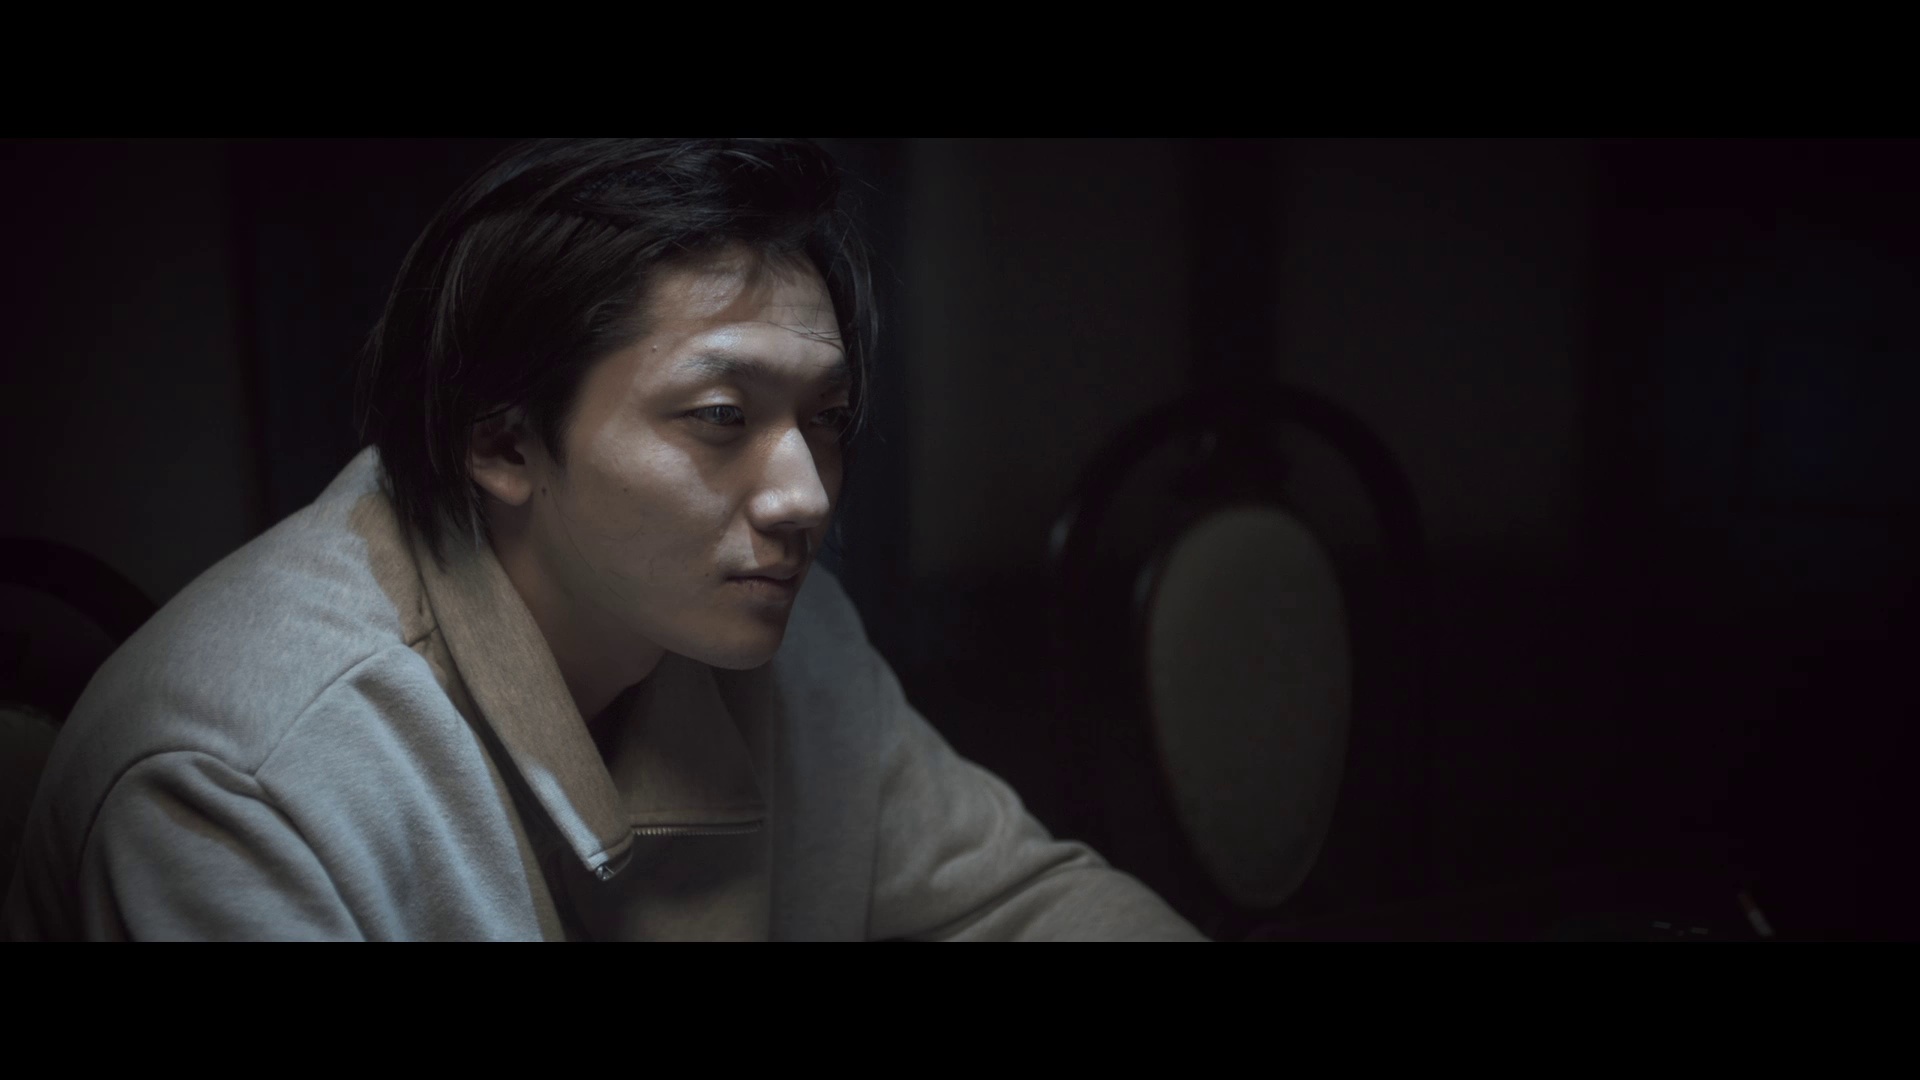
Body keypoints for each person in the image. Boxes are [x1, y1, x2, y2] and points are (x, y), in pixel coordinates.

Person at [3, 138, 1205, 940]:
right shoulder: (250, 776)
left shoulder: (781, 630)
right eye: (721, 417)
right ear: (502, 443)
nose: (804, 496)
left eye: (827, 420)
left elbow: (1023, 903)